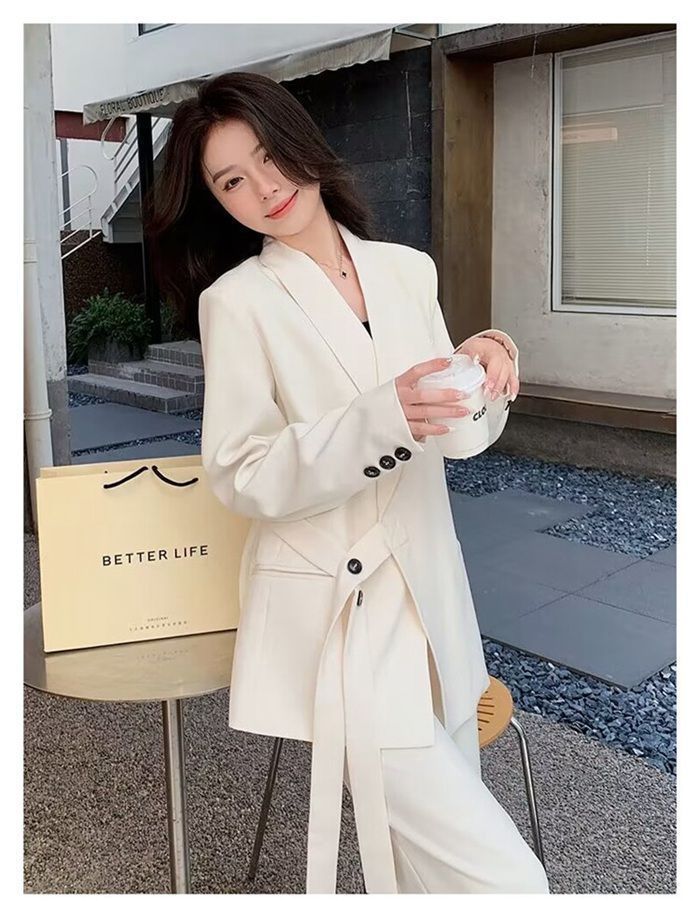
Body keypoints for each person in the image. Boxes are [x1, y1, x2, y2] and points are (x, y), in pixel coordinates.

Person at [144, 70, 550, 895]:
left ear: (302, 143)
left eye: (269, 156)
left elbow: (459, 439)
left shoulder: (407, 271)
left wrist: (485, 363)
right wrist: (381, 416)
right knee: (507, 879)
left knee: (427, 868)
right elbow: (242, 471)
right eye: (232, 181)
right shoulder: (238, 303)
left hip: (435, 604)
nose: (265, 188)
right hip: (341, 620)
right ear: (218, 201)